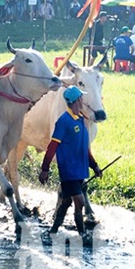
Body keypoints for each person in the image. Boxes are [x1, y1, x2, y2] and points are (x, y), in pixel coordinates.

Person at [39, 87, 102, 239]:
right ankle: (83, 235)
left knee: (66, 203)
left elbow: (85, 149)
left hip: (80, 170)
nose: (83, 101)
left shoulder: (81, 121)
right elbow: (52, 147)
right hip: (69, 171)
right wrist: (45, 169)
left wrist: (94, 166)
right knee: (79, 202)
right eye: (81, 98)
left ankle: (52, 232)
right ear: (76, 101)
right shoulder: (63, 121)